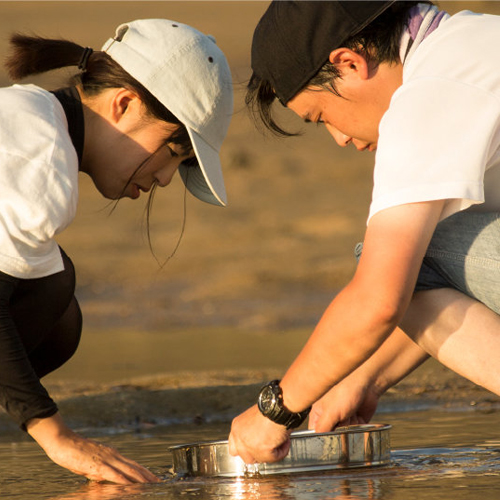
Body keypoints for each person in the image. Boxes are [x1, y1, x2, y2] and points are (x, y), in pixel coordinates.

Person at [228, 0, 500, 464]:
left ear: (349, 62)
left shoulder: (427, 96)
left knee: (396, 258)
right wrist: (362, 379)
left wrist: (275, 410)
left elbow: (379, 300)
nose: (340, 139)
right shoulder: (477, 38)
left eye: (320, 116)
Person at [0, 18, 233, 483]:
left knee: (57, 304)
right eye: (172, 151)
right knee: (48, 290)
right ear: (124, 104)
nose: (166, 179)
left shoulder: (26, 113)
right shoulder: (42, 157)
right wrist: (58, 437)